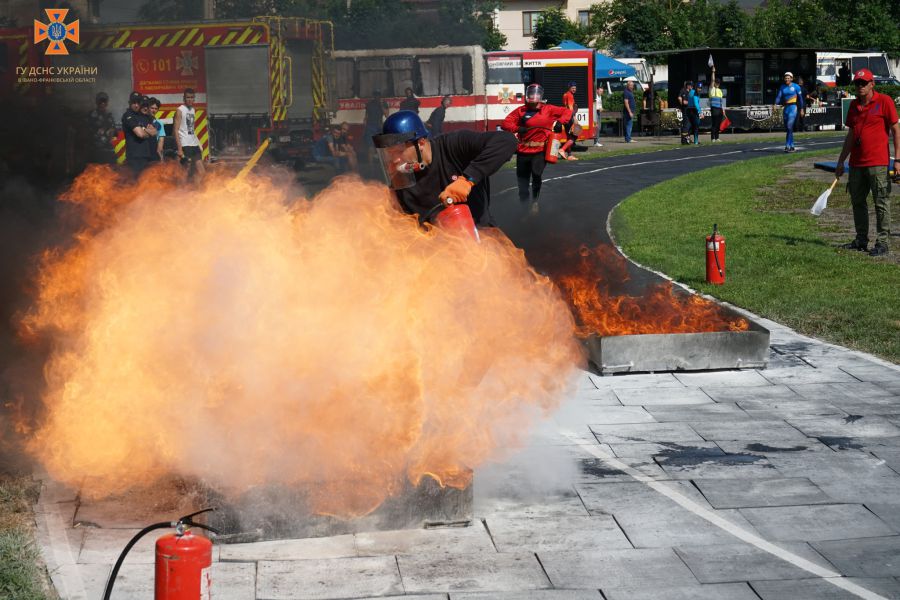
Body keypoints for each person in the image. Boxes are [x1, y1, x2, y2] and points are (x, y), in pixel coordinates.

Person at [372, 110, 516, 229]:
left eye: (399, 151)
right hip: (436, 249)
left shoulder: (453, 145)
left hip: (480, 237)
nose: (395, 159)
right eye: (390, 154)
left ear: (420, 143)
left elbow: (507, 141)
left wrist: (467, 180)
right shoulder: (401, 179)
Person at [834, 68, 900, 257]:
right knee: (858, 202)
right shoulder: (854, 106)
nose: (860, 86)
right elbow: (851, 135)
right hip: (856, 163)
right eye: (857, 83)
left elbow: (896, 131)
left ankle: (883, 242)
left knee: (881, 202)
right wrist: (841, 161)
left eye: (864, 83)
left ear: (872, 84)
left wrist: (898, 160)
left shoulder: (884, 101)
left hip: (878, 163)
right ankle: (861, 239)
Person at [501, 83, 572, 213]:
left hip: (540, 150)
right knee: (522, 183)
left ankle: (535, 202)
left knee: (537, 173)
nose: (534, 96)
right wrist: (518, 128)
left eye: (536, 94)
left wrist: (560, 122)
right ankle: (523, 208)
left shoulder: (548, 109)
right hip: (523, 150)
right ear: (527, 95)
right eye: (531, 93)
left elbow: (567, 111)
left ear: (540, 96)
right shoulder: (521, 111)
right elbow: (506, 123)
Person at [121, 90, 157, 176]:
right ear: (129, 103)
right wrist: (146, 131)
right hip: (134, 157)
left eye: (138, 102)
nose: (136, 105)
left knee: (146, 183)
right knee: (136, 184)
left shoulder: (145, 116)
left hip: (146, 156)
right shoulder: (128, 115)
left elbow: (154, 132)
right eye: (134, 102)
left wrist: (144, 130)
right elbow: (140, 134)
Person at [173, 88, 205, 177]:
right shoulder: (180, 110)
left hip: (193, 143)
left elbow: (191, 129)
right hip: (184, 144)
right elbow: (175, 130)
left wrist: (198, 143)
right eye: (188, 97)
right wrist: (179, 148)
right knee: (184, 172)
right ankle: (181, 190)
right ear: (184, 98)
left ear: (194, 98)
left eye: (192, 97)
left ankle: (199, 190)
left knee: (201, 172)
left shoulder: (193, 110)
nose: (190, 99)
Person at [775, 72, 804, 153]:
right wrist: (775, 104)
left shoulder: (796, 87)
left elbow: (801, 99)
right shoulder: (782, 87)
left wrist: (802, 109)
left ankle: (787, 145)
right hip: (786, 108)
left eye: (788, 78)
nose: (787, 79)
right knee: (788, 129)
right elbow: (778, 97)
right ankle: (792, 146)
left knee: (789, 126)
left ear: (791, 78)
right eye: (786, 78)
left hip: (793, 107)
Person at [87, 91, 117, 164]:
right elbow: (87, 131)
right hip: (96, 151)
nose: (102, 103)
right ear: (97, 102)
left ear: (107, 102)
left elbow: (114, 131)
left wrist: (112, 132)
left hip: (108, 150)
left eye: (104, 101)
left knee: (111, 172)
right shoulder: (92, 115)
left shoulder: (110, 116)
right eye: (101, 101)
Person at [363, 90, 390, 164]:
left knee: (382, 148)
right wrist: (365, 123)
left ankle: (385, 166)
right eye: (375, 95)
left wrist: (381, 105)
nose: (377, 97)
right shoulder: (369, 104)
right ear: (373, 96)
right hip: (370, 127)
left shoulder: (384, 103)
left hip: (379, 127)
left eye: (378, 95)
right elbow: (366, 116)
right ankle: (371, 168)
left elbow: (386, 115)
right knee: (371, 149)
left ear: (380, 96)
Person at [559, 81, 579, 160]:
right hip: (569, 117)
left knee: (569, 136)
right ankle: (562, 149)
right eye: (573, 88)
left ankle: (569, 155)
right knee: (575, 135)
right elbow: (570, 108)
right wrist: (574, 118)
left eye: (575, 88)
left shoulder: (565, 94)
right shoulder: (570, 95)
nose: (574, 89)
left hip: (565, 118)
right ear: (569, 88)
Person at [144, 97, 166, 162]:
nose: (154, 110)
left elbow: (161, 142)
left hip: (153, 153)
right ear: (148, 108)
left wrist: (161, 159)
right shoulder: (142, 120)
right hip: (144, 152)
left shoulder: (159, 123)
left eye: (156, 109)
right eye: (152, 108)